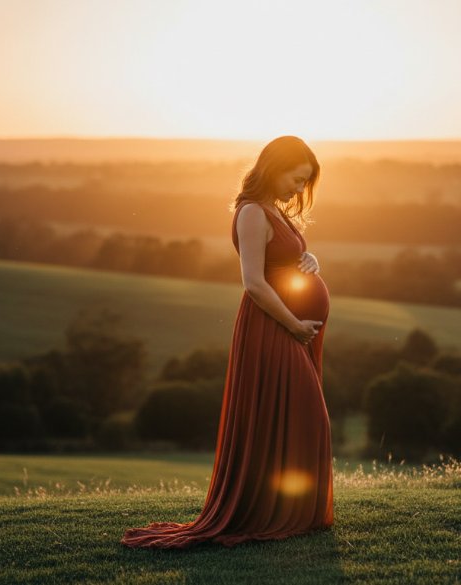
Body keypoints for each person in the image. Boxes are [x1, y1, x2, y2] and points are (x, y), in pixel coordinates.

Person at [120, 135, 333, 548]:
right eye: (297, 177)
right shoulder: (253, 212)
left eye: (306, 182)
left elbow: (285, 261)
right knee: (301, 416)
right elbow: (253, 283)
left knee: (298, 417)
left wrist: (311, 261)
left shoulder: (274, 210)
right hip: (273, 329)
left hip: (290, 329)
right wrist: (292, 324)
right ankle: (270, 512)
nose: (299, 189)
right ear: (275, 167)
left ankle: (293, 512)